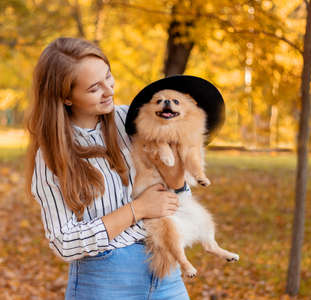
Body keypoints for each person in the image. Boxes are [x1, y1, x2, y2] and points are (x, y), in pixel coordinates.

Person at [24, 37, 190, 300]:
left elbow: (181, 194)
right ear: (67, 97)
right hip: (105, 282)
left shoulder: (136, 119)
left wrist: (178, 170)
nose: (109, 90)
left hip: (166, 269)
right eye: (94, 88)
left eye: (108, 77)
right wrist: (138, 209)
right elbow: (64, 243)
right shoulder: (52, 155)